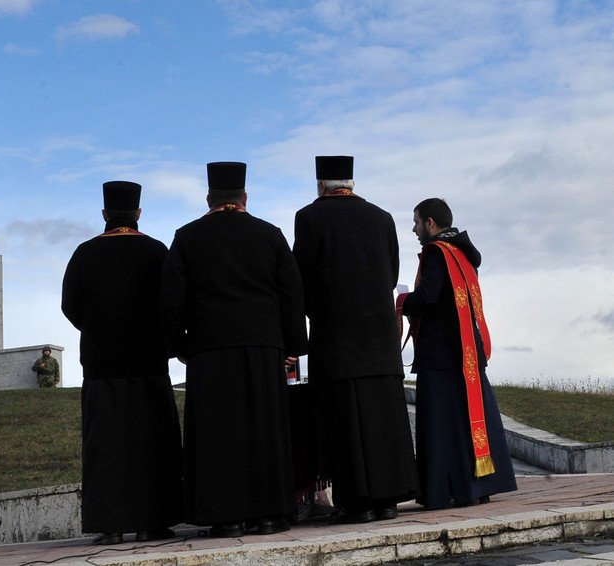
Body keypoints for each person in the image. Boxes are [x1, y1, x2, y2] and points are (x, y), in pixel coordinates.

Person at [161, 161, 308, 537]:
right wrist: (292, 345)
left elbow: (171, 299)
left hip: (210, 350)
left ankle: (225, 516)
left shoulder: (187, 236)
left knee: (218, 433)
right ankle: (270, 514)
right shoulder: (270, 235)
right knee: (265, 428)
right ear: (244, 197)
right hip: (263, 348)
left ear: (209, 198)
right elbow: (292, 293)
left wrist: (179, 345)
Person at [292, 156, 419, 523]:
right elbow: (391, 271)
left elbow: (303, 277)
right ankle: (389, 500)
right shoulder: (381, 217)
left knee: (346, 421)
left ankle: (356, 503)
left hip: (337, 337)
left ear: (321, 185)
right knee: (383, 420)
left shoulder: (309, 217)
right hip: (379, 339)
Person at [62, 180, 184, 545]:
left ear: (104, 214)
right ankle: (154, 521)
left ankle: (110, 525)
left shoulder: (84, 253)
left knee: (106, 446)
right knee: (153, 443)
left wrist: (99, 330)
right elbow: (172, 303)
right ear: (138, 213)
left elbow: (70, 306)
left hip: (103, 367)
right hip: (148, 363)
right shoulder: (156, 251)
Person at [397, 197, 517, 510]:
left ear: (430, 223)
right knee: (468, 423)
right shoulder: (464, 252)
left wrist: (401, 303)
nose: (414, 229)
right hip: (466, 352)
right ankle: (478, 487)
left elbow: (429, 295)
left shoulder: (436, 252)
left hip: (442, 354)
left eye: (416, 222)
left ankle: (446, 491)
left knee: (442, 426)